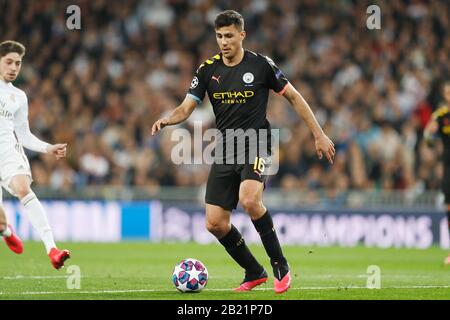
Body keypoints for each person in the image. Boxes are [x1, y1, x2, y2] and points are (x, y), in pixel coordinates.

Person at [152, 10, 335, 293]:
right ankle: (253, 270)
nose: (223, 42)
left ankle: (279, 264)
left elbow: (294, 97)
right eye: (219, 36)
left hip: (257, 142)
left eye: (228, 36)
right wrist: (168, 119)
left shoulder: (261, 65)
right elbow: (187, 107)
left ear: (241, 35)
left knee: (249, 200)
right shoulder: (207, 70)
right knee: (214, 224)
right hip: (225, 149)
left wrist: (319, 134)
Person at [0, 40, 70, 269]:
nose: (13, 67)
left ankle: (52, 249)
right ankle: (7, 231)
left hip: (7, 151)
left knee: (23, 188)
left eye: (17, 63)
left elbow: (25, 135)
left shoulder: (18, 96)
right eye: (8, 62)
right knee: (0, 223)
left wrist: (48, 148)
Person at [424, 81, 450, 265]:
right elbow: (428, 139)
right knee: (449, 207)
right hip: (448, 167)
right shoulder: (441, 116)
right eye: (448, 92)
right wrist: (430, 135)